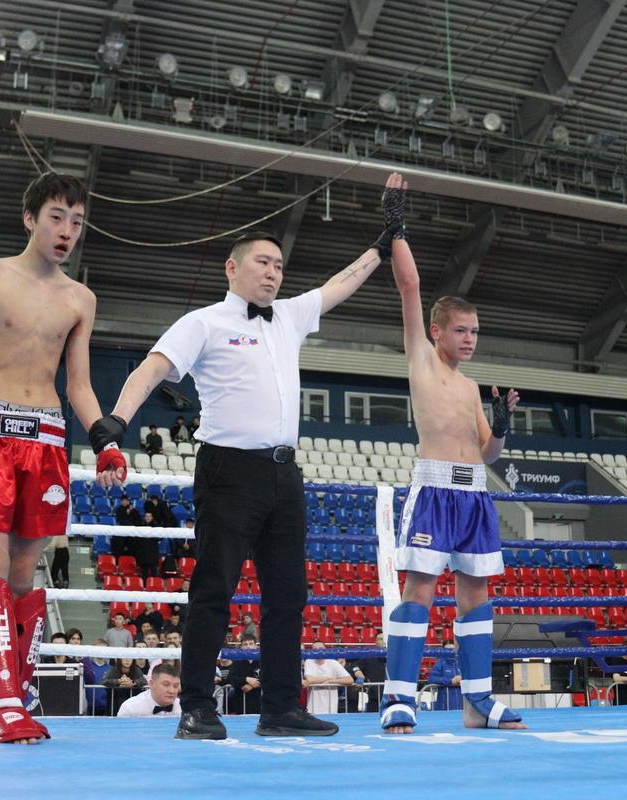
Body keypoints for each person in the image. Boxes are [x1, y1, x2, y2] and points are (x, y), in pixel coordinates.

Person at [99, 180, 398, 740]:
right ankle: (196, 707)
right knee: (214, 589)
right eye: (262, 261)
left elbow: (339, 285)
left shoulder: (288, 316)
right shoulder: (205, 322)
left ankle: (280, 707)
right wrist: (116, 423)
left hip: (285, 473)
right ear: (232, 270)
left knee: (289, 594)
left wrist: (381, 245)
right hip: (227, 470)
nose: (273, 272)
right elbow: (152, 368)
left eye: (280, 265)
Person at [0, 171, 126, 743]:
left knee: (23, 575)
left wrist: (104, 440)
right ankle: (0, 705)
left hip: (49, 439)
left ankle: (16, 689)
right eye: (57, 217)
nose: (67, 231)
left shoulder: (80, 298)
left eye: (78, 222)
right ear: (30, 218)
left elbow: (80, 386)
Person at [379, 174, 525, 733]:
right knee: (420, 587)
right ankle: (398, 697)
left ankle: (480, 701)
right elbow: (410, 286)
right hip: (433, 487)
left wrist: (505, 424)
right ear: (437, 330)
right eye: (460, 330)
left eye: (475, 332)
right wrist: (396, 224)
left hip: (475, 494)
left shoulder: (470, 388)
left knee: (477, 593)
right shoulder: (420, 358)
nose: (469, 339)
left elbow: (489, 454)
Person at [302, 642, 353, 715]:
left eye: (321, 649)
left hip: (331, 707)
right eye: (315, 649)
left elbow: (350, 680)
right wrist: (329, 677)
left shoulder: (333, 662)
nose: (318, 651)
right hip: (313, 706)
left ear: (325, 650)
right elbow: (310, 680)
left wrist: (330, 681)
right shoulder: (309, 662)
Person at [117, 663, 182, 717]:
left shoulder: (183, 708)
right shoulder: (130, 708)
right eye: (166, 684)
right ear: (151, 684)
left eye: (175, 686)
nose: (171, 691)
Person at [349, 633, 387, 712]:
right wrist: (360, 675)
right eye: (380, 639)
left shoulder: (397, 656)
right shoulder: (370, 656)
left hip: (393, 697)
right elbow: (354, 666)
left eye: (385, 638)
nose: (384, 641)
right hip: (375, 697)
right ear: (375, 642)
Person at [225, 633, 262, 714]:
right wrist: (246, 679)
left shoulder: (262, 661)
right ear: (241, 647)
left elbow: (268, 677)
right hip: (241, 704)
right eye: (245, 644)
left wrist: (252, 685)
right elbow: (230, 678)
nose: (248, 646)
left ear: (256, 646)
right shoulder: (237, 661)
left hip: (259, 704)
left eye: (251, 644)